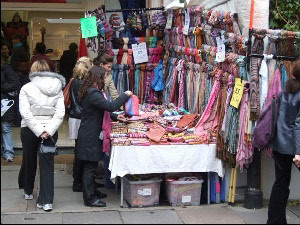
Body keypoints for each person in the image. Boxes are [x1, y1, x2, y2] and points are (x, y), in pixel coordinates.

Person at [76, 65, 132, 207]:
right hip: (90, 134)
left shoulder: (89, 91)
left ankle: (93, 192)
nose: (105, 80)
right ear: (97, 78)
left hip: (89, 132)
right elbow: (110, 106)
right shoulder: (93, 93)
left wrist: (119, 118)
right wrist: (125, 95)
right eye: (103, 77)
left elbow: (104, 111)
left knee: (91, 165)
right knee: (89, 167)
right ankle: (90, 198)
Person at [18, 60, 65, 212]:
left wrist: (38, 130)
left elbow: (25, 113)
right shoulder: (58, 88)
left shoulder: (26, 88)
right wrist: (48, 131)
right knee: (48, 165)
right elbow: (60, 113)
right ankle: (47, 201)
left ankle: (28, 190)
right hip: (50, 130)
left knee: (29, 158)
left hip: (30, 129)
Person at [267, 58, 300, 224]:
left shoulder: (285, 91)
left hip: (279, 144)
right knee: (281, 183)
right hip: (294, 147)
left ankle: (275, 221)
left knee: (280, 183)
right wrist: (298, 152)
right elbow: (298, 125)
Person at [93, 51, 120, 189]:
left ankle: (107, 180)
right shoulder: (93, 75)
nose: (110, 70)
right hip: (96, 114)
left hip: (105, 113)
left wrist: (120, 106)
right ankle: (93, 176)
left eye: (111, 67)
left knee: (105, 146)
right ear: (101, 65)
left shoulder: (108, 76)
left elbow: (113, 92)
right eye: (108, 67)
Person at [68, 57, 94, 192]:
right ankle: (78, 182)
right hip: (81, 118)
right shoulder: (83, 83)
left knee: (79, 150)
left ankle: (79, 181)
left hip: (75, 117)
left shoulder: (75, 81)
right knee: (81, 152)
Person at [1, 54, 21, 162]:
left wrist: (2, 87)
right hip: (4, 103)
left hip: (5, 103)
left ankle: (8, 152)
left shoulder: (7, 70)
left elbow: (15, 84)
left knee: (5, 127)